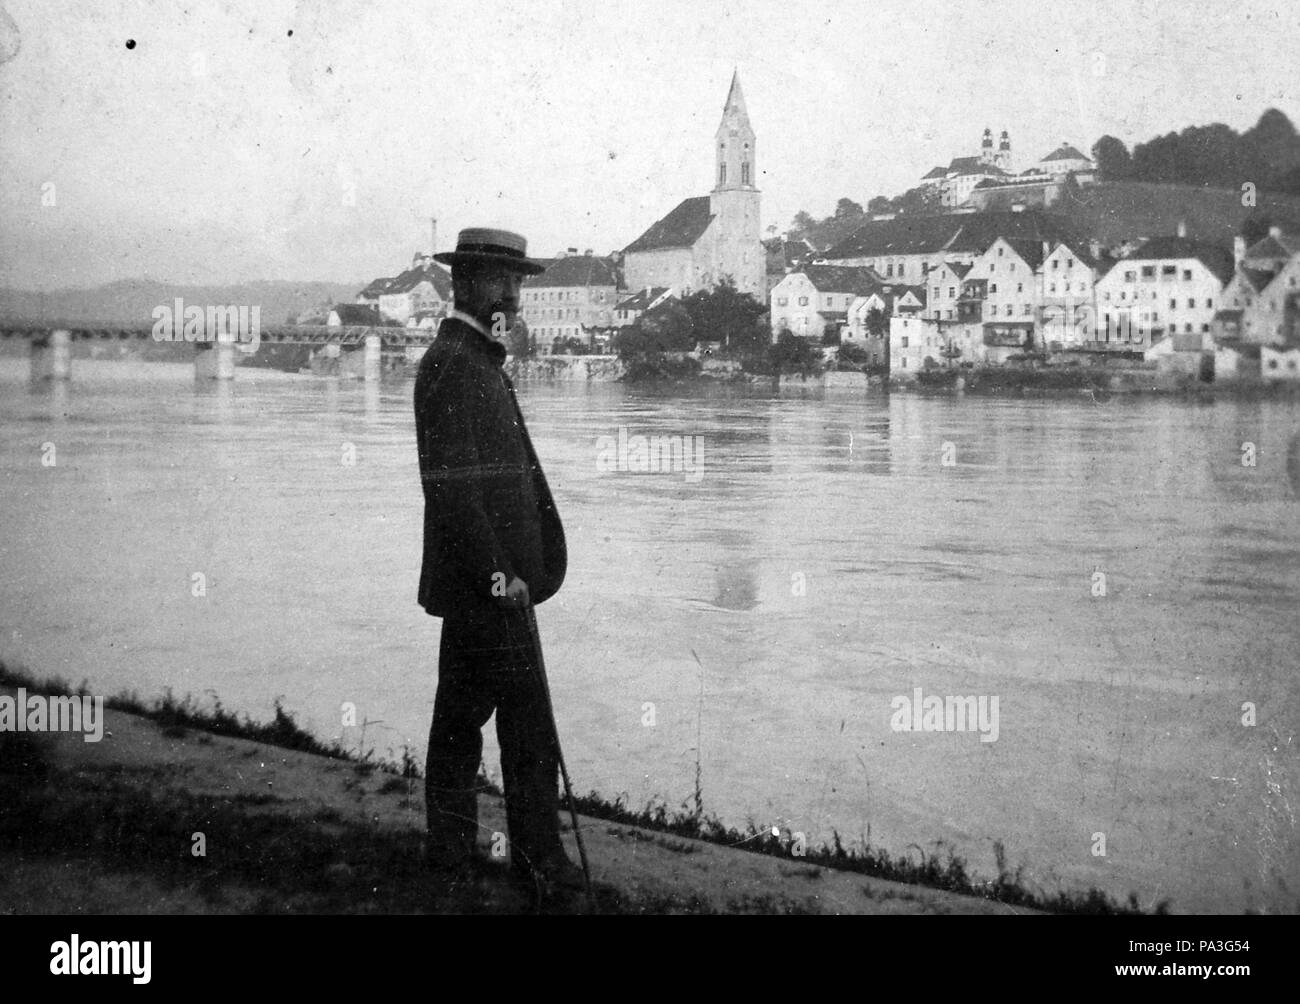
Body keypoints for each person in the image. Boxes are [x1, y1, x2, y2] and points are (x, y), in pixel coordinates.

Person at [414, 226, 581, 896]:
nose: (511, 292)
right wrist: (500, 575)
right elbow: (451, 489)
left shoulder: (473, 357)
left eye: (517, 282)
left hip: (490, 583)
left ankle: (451, 853)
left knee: (460, 719)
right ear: (463, 282)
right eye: (497, 279)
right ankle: (539, 864)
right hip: (490, 586)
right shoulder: (455, 363)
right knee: (525, 726)